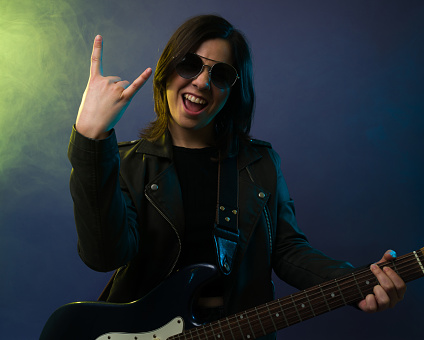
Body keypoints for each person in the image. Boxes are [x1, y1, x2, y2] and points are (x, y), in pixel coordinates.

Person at [68, 14, 406, 339]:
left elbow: (287, 250)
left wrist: (353, 282)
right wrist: (91, 140)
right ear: (167, 71)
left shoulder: (260, 164)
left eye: (221, 75)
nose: (201, 82)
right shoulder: (126, 163)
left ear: (232, 92)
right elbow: (104, 257)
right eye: (190, 64)